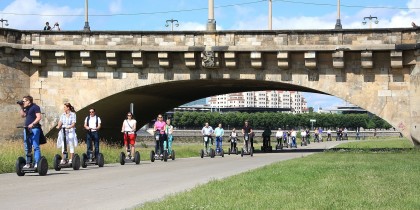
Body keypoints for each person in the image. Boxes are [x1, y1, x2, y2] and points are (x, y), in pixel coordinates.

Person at [19, 95, 42, 169]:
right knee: (27, 147)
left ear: (29, 101)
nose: (23, 102)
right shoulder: (26, 108)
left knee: (35, 146)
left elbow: (39, 117)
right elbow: (22, 116)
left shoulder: (35, 107)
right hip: (27, 129)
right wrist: (21, 107)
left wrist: (33, 124)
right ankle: (28, 163)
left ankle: (37, 163)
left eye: (24, 101)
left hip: (35, 129)